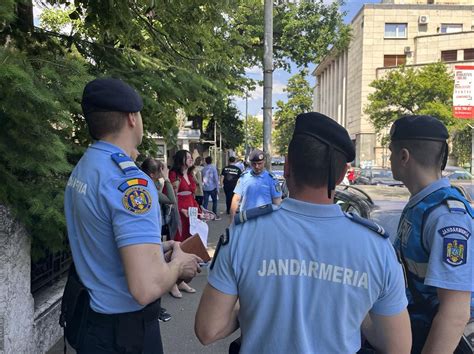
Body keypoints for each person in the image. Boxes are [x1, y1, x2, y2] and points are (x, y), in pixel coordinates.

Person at [195, 112, 411, 353]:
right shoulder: (377, 248)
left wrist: (252, 307)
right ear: (341, 175)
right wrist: (351, 308)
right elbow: (398, 346)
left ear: (287, 166)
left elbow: (208, 329)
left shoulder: (242, 235)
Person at [63, 78, 201, 353]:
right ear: (132, 118)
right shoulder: (131, 185)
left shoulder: (87, 166)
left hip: (90, 322)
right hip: (123, 334)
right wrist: (179, 265)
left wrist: (160, 247)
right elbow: (145, 287)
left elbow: (103, 242)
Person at [389, 115, 473, 354]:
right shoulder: (423, 205)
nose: (391, 158)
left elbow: (455, 314)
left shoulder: (445, 217)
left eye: (391, 152)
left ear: (404, 156)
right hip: (418, 327)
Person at [140, 157, 175, 322]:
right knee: (153, 270)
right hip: (152, 233)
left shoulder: (143, 183)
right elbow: (171, 200)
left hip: (148, 233)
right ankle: (155, 309)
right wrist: (167, 179)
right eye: (160, 170)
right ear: (154, 173)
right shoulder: (149, 186)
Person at [168, 149, 200, 297]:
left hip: (191, 211)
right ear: (181, 159)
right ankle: (172, 282)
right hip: (179, 213)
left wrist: (200, 211)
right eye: (187, 157)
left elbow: (193, 196)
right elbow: (171, 196)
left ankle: (181, 280)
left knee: (189, 245)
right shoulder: (174, 174)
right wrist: (181, 210)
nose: (190, 159)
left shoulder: (191, 174)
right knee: (178, 246)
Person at [229, 149, 282, 223]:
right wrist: (232, 221)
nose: (257, 166)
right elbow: (236, 199)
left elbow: (277, 202)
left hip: (265, 221)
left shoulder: (272, 179)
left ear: (264, 162)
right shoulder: (244, 177)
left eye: (259, 163)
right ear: (250, 163)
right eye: (254, 164)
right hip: (246, 220)